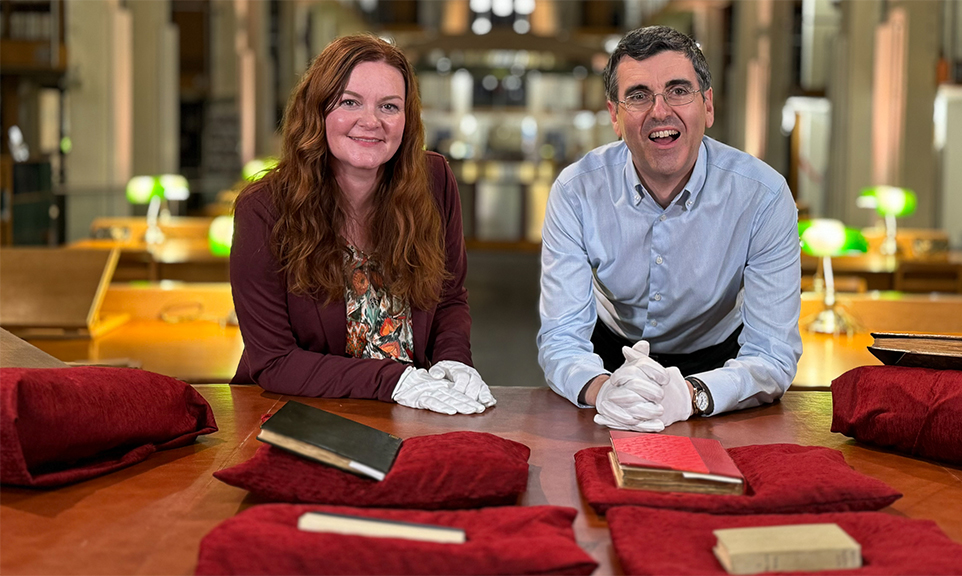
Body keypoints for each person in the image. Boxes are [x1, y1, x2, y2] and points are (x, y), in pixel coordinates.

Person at [537, 26, 802, 431]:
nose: (660, 111)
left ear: (708, 106)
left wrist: (693, 395)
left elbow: (772, 353)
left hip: (720, 368)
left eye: (678, 91)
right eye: (638, 96)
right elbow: (562, 337)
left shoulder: (763, 196)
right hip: (608, 360)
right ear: (614, 116)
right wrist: (602, 389)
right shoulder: (576, 191)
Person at [230, 34, 495, 415]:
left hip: (412, 409)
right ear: (318, 110)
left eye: (389, 106)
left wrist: (453, 360)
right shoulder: (263, 209)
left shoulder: (434, 180)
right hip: (300, 414)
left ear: (407, 119)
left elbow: (449, 297)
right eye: (349, 102)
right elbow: (274, 361)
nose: (371, 122)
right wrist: (394, 380)